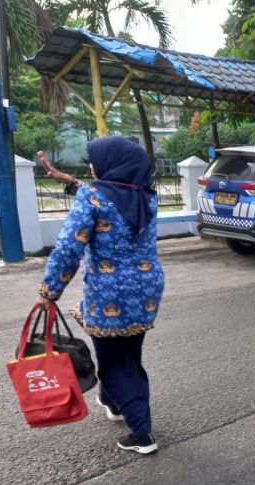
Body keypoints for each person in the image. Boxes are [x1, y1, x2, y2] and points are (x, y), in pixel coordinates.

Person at [36, 137, 165, 455]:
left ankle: (142, 434)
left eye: (94, 159)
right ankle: (114, 402)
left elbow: (69, 248)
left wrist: (49, 291)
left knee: (113, 365)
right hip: (146, 291)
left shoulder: (95, 196)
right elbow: (108, 199)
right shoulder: (146, 197)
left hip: (110, 296)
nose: (91, 165)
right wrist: (72, 183)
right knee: (127, 355)